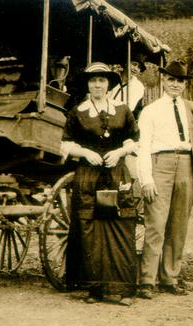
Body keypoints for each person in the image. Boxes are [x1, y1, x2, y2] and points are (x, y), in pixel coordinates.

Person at [135, 60, 193, 299]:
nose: (175, 84)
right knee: (156, 225)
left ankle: (170, 277)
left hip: (185, 165)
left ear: (185, 85)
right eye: (171, 79)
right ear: (164, 80)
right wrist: (146, 180)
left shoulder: (190, 108)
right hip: (160, 164)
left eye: (180, 81)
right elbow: (143, 148)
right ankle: (147, 280)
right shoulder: (151, 110)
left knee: (179, 225)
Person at [61, 62, 140, 304]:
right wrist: (85, 152)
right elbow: (65, 144)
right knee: (90, 229)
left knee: (120, 226)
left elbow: (134, 139)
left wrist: (119, 153)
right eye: (93, 80)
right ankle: (94, 288)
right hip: (88, 176)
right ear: (87, 84)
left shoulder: (122, 110)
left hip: (116, 174)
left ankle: (120, 288)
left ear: (108, 84)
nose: (97, 85)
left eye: (102, 81)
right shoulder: (78, 112)